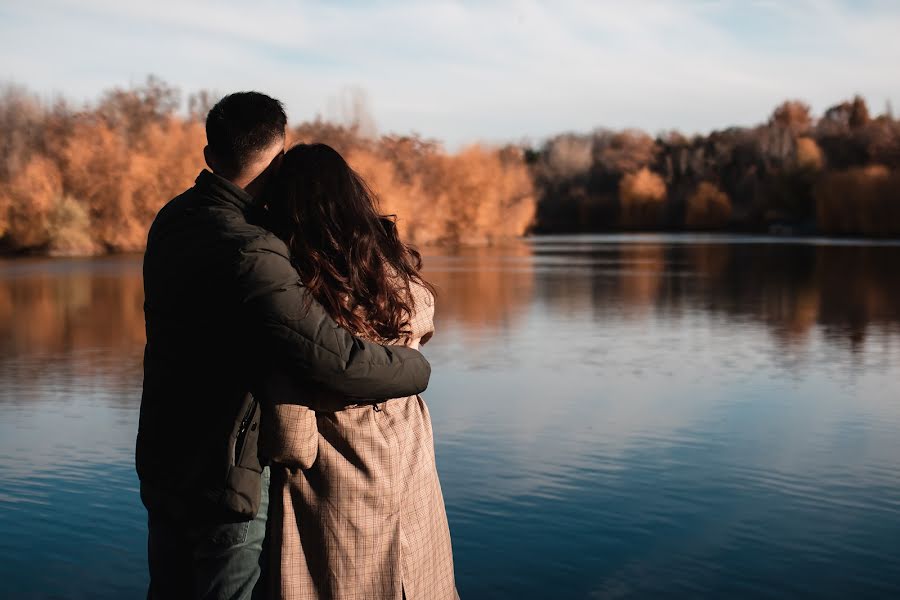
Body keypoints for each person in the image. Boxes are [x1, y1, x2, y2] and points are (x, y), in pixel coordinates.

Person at [137, 93, 432, 600]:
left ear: (209, 157)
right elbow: (335, 360)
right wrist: (415, 368)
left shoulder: (173, 219)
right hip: (227, 473)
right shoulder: (251, 247)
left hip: (166, 461)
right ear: (279, 155)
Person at [260, 144, 458, 600]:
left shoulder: (295, 288)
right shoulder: (387, 272)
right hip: (407, 447)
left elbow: (290, 434)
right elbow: (421, 320)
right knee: (417, 576)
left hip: (337, 463)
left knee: (338, 576)